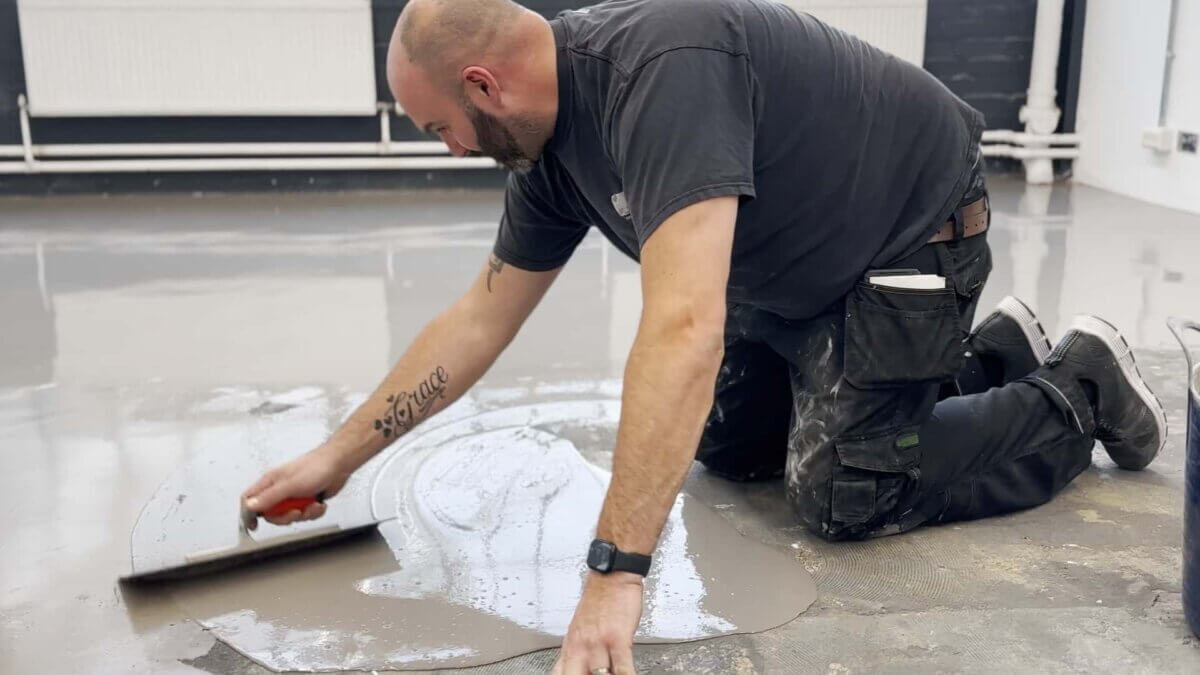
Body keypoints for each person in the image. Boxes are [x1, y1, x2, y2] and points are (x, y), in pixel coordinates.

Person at [242, 0, 1167, 672]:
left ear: (484, 83)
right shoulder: (551, 152)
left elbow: (685, 324)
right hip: (800, 262)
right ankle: (992, 354)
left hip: (908, 231)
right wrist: (338, 456)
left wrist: (615, 572)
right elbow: (480, 315)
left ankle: (1080, 388)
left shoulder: (658, 71)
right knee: (731, 451)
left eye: (441, 126)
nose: (448, 148)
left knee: (846, 490)